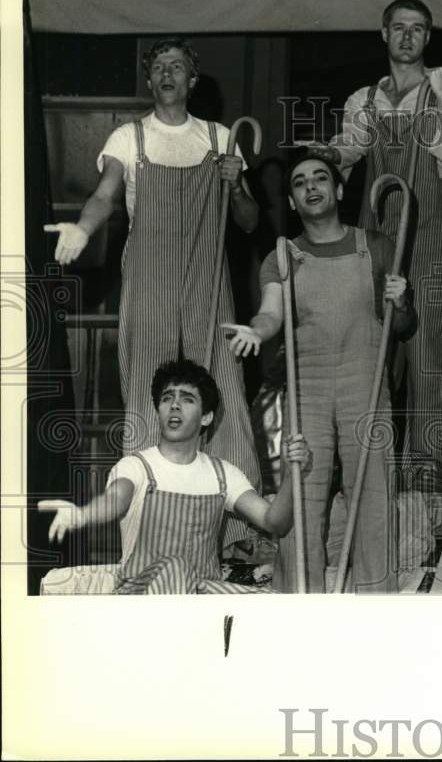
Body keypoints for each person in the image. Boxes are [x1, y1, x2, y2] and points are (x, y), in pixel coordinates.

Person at [44, 37, 262, 548]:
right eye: (159, 67)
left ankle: (235, 540)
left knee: (224, 396)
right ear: (149, 81)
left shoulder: (219, 136)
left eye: (177, 67)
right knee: (148, 402)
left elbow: (250, 222)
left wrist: (235, 183)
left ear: (192, 80)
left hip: (209, 285)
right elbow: (104, 195)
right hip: (150, 286)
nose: (167, 74)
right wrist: (82, 228)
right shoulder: (129, 137)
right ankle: (144, 534)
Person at [304, 0, 442, 537]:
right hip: (376, 241)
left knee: (430, 361)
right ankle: (369, 483)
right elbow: (349, 149)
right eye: (399, 28)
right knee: (371, 359)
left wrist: (438, 105)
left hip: (431, 240)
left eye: (418, 29)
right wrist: (329, 155)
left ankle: (428, 494)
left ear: (428, 37)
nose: (408, 37)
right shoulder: (363, 98)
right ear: (383, 34)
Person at [225, 151, 416, 593]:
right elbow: (270, 314)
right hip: (306, 390)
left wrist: (402, 302)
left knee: (372, 499)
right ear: (292, 201)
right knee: (303, 497)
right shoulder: (282, 255)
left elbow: (403, 327)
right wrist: (256, 330)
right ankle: (300, 607)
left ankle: (377, 605)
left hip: (365, 388)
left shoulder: (377, 246)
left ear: (339, 190)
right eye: (299, 182)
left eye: (320, 179)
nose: (311, 187)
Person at [39, 360, 312, 594]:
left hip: (200, 597)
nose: (174, 406)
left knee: (272, 608)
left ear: (206, 417)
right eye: (167, 398)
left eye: (187, 399)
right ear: (158, 410)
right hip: (140, 597)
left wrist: (292, 473)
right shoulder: (136, 466)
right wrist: (83, 515)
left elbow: (274, 522)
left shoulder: (222, 475)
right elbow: (115, 500)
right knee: (175, 569)